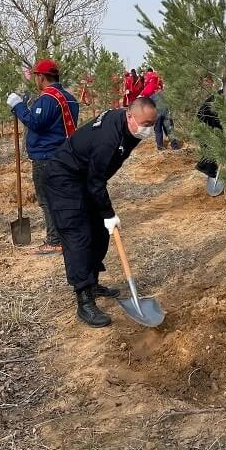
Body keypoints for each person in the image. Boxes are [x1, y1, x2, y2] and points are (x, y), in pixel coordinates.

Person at [44, 97, 158, 328]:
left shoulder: (130, 129)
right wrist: (108, 212)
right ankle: (84, 298)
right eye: (145, 123)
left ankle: (93, 281)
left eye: (152, 124)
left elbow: (97, 178)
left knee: (99, 232)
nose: (149, 129)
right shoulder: (109, 138)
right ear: (130, 115)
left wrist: (103, 216)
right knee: (78, 236)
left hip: (85, 178)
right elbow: (97, 181)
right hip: (63, 178)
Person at [7, 59, 79, 256]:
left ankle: (55, 241)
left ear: (42, 77)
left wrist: (18, 106)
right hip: (67, 154)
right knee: (63, 198)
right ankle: (66, 236)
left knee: (47, 200)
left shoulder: (48, 98)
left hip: (47, 157)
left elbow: (35, 122)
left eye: (36, 76)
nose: (36, 80)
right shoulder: (70, 98)